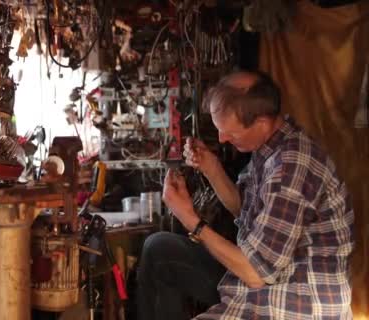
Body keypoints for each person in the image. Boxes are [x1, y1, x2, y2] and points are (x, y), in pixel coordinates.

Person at [136, 71, 355, 319]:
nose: (222, 138)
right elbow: (247, 210)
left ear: (261, 123)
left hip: (296, 296)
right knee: (160, 249)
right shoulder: (271, 148)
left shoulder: (291, 166)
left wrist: (190, 220)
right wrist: (212, 168)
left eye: (231, 133)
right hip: (265, 277)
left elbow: (255, 273)